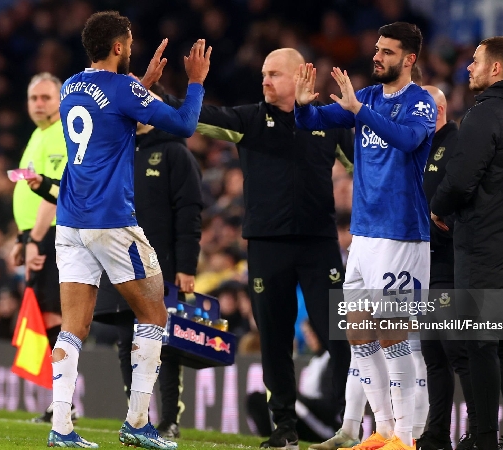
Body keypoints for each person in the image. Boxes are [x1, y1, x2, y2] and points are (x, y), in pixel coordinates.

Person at [163, 47, 353, 450]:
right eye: (263, 74)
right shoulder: (250, 119)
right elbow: (191, 117)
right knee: (274, 338)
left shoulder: (329, 122)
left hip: (320, 245)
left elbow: (368, 168)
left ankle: (347, 421)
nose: (264, 81)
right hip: (267, 246)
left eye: (273, 74)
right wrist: (160, 88)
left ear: (301, 75)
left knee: (339, 335)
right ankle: (283, 427)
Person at [47, 10, 210, 449]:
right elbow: (184, 126)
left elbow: (112, 118)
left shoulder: (70, 87)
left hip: (71, 222)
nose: (134, 47)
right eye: (130, 42)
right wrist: (194, 80)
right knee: (154, 314)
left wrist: (142, 85)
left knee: (73, 327)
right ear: (118, 47)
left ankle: (61, 428)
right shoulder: (122, 88)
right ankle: (138, 421)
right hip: (111, 221)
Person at [295, 22, 435, 450]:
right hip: (363, 235)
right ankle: (383, 431)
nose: (377, 56)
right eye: (376, 49)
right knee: (359, 335)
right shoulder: (369, 97)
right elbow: (313, 120)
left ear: (409, 59)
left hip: (402, 235)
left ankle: (406, 439)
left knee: (394, 337)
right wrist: (302, 106)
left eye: (388, 52)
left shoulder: (421, 103)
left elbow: (408, 140)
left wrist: (358, 111)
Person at [430, 36, 503, 450]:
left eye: (475, 61)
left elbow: (461, 179)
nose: (469, 68)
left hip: (483, 246)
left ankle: (483, 440)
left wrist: (439, 207)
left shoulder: (485, 113)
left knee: (480, 344)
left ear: (496, 69)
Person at [94, 84, 203, 440]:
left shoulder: (174, 152)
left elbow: (189, 212)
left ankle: (170, 418)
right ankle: (137, 416)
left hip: (164, 264)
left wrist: (186, 266)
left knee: (165, 345)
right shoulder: (120, 149)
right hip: (121, 261)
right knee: (126, 341)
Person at [416, 86, 477, 450]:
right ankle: (436, 432)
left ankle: (478, 430)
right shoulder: (420, 148)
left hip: (451, 263)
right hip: (426, 266)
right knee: (434, 355)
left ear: (436, 109)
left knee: (457, 352)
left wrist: (437, 225)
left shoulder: (455, 144)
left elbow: (459, 201)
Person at [9, 72, 66, 348]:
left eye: (46, 97)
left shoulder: (60, 133)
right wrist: (22, 237)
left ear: (60, 100)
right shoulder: (38, 134)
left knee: (50, 313)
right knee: (40, 314)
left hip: (50, 234)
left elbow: (55, 192)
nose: (39, 103)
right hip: (35, 234)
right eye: (34, 98)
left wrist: (34, 239)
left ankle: (61, 386)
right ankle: (52, 386)